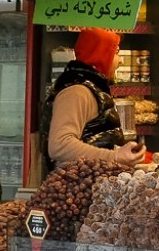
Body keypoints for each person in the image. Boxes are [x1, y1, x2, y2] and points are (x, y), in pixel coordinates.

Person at [44, 28, 142, 170]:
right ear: (101, 55)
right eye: (116, 53)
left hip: (93, 185)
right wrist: (115, 156)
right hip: (77, 188)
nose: (120, 61)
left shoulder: (90, 89)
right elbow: (59, 145)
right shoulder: (76, 92)